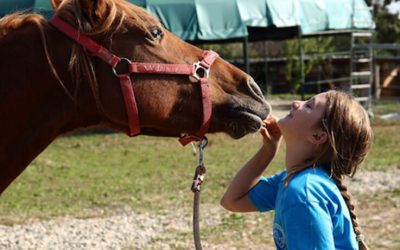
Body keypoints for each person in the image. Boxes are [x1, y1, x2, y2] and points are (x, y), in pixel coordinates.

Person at [220, 90, 373, 250]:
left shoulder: (303, 192)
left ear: (318, 136)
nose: (295, 103)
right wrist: (268, 151)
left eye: (309, 105)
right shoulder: (292, 180)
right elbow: (232, 201)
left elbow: (232, 201)